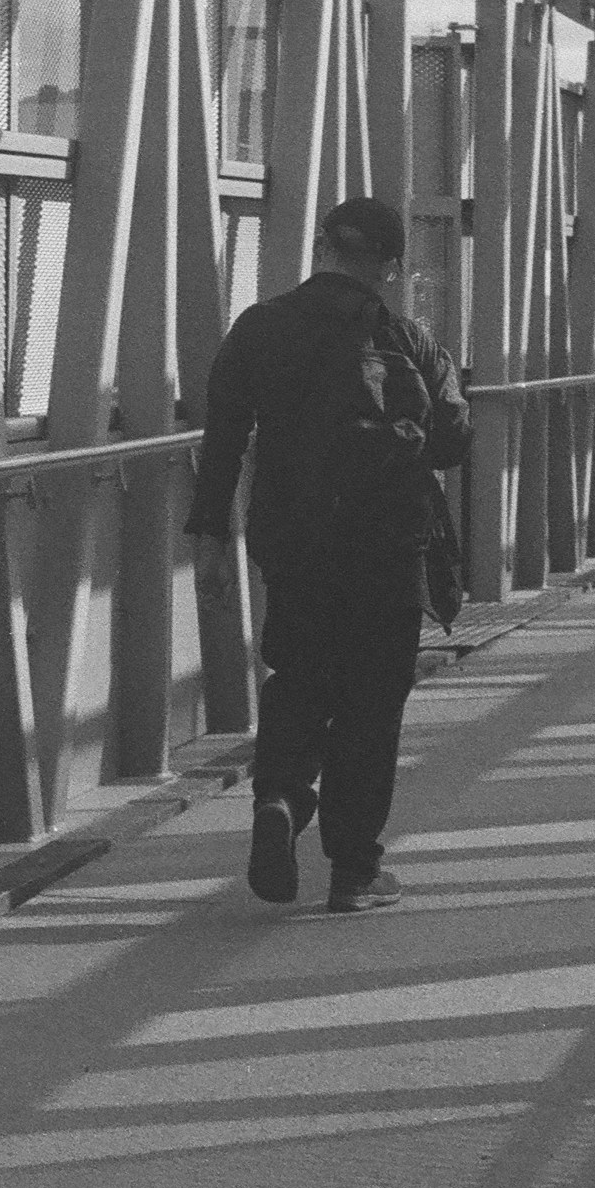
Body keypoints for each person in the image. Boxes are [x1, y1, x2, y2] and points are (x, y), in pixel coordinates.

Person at [188, 197, 468, 914]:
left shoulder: (261, 327)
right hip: (389, 548)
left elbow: (221, 435)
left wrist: (211, 538)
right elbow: (452, 441)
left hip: (296, 542)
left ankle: (280, 795)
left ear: (321, 246)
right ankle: (354, 871)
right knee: (373, 705)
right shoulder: (408, 338)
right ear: (392, 265)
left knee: (300, 675)